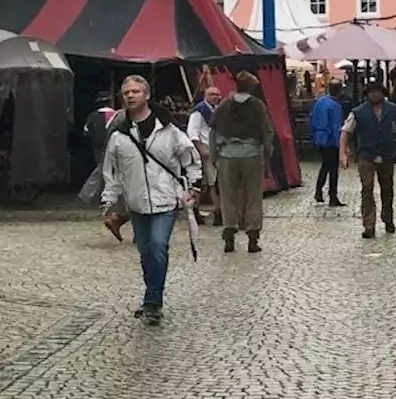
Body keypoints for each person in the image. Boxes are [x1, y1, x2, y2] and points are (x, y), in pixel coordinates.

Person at [101, 76, 200, 324]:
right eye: (126, 92)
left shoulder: (168, 129)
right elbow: (111, 171)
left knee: (157, 246)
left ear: (146, 95)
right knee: (146, 252)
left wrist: (194, 185)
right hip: (136, 203)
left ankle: (153, 302)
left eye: (135, 91)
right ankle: (151, 296)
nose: (130, 95)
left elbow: (189, 156)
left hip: (165, 199)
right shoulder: (118, 136)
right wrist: (110, 201)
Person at [340, 81, 396, 239]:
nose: (374, 95)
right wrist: (343, 153)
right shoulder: (358, 112)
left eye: (377, 92)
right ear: (367, 95)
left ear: (383, 93)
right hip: (366, 155)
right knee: (367, 189)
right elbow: (346, 131)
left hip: (387, 154)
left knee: (387, 189)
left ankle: (388, 218)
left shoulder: (391, 109)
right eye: (371, 92)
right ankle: (369, 225)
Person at [212, 71, 275, 253]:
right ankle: (252, 238)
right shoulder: (257, 106)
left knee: (228, 196)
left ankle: (229, 235)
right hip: (251, 154)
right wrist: (267, 155)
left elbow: (213, 131)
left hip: (227, 155)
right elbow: (266, 132)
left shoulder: (223, 105)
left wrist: (215, 155)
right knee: (253, 196)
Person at [79, 92, 126, 241]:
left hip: (99, 149)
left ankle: (102, 199)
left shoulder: (93, 116)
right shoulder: (117, 115)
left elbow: (86, 132)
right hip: (117, 150)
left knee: (102, 172)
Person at [186, 85, 224, 226]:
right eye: (212, 94)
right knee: (211, 182)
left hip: (215, 150)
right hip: (205, 150)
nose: (216, 97)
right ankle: (217, 212)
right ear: (205, 96)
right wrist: (201, 148)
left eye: (217, 94)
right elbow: (192, 132)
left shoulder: (217, 110)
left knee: (208, 183)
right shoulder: (199, 111)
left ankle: (210, 211)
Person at [309, 80, 345, 207]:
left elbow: (312, 117)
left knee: (325, 166)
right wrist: (341, 145)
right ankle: (332, 196)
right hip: (330, 140)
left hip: (320, 138)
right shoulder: (336, 106)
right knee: (333, 169)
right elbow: (336, 127)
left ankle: (318, 191)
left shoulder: (320, 102)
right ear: (340, 91)